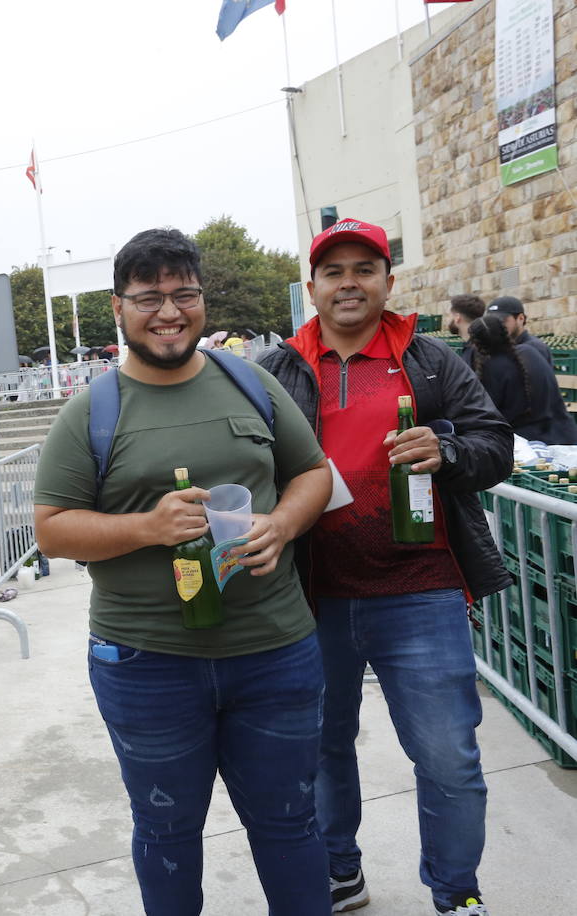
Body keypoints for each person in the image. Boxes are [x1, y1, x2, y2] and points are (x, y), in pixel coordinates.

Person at [34, 227, 334, 915]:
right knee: (167, 831)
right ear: (118, 307)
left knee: (290, 823)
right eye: (149, 297)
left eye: (183, 294)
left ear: (201, 300)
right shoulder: (93, 412)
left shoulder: (249, 381)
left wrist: (282, 524)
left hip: (274, 651)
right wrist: (147, 527)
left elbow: (312, 473)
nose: (168, 311)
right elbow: (51, 528)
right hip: (147, 661)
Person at [258, 218, 511, 916]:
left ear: (387, 282)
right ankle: (341, 871)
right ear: (311, 288)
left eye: (364, 269)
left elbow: (495, 444)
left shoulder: (430, 362)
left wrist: (450, 452)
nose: (349, 282)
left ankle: (456, 891)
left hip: (420, 592)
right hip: (310, 598)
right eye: (333, 271)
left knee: (448, 759)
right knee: (319, 751)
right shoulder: (276, 374)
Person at [469, 314, 577, 444]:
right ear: (504, 332)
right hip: (565, 435)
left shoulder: (490, 369)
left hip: (528, 447)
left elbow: (490, 418)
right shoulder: (530, 351)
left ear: (475, 343)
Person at [485, 295, 554, 365]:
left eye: (502, 321)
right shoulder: (497, 347)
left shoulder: (535, 348)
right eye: (492, 321)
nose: (496, 325)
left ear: (521, 319)